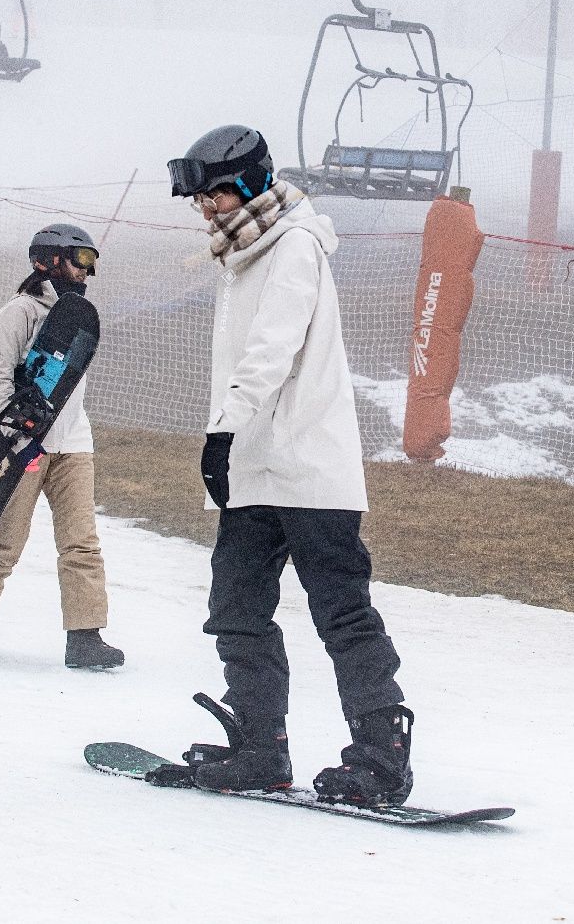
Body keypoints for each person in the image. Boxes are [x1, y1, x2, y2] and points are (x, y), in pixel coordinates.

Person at [162, 124, 414, 807]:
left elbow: (271, 352)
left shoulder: (294, 247)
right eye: (201, 199)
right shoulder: (242, 255)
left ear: (246, 186)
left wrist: (221, 431)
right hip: (254, 467)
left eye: (212, 194)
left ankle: (381, 753)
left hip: (309, 467)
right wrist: (232, 443)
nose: (205, 209)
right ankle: (260, 745)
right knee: (235, 605)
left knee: (340, 610)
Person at [0, 222, 126, 671]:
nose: (88, 271)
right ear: (48, 260)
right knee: (6, 542)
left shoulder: (78, 317)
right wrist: (15, 442)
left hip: (75, 444)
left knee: (81, 543)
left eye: (92, 261)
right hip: (22, 447)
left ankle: (85, 636)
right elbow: (0, 382)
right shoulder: (18, 313)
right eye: (80, 259)